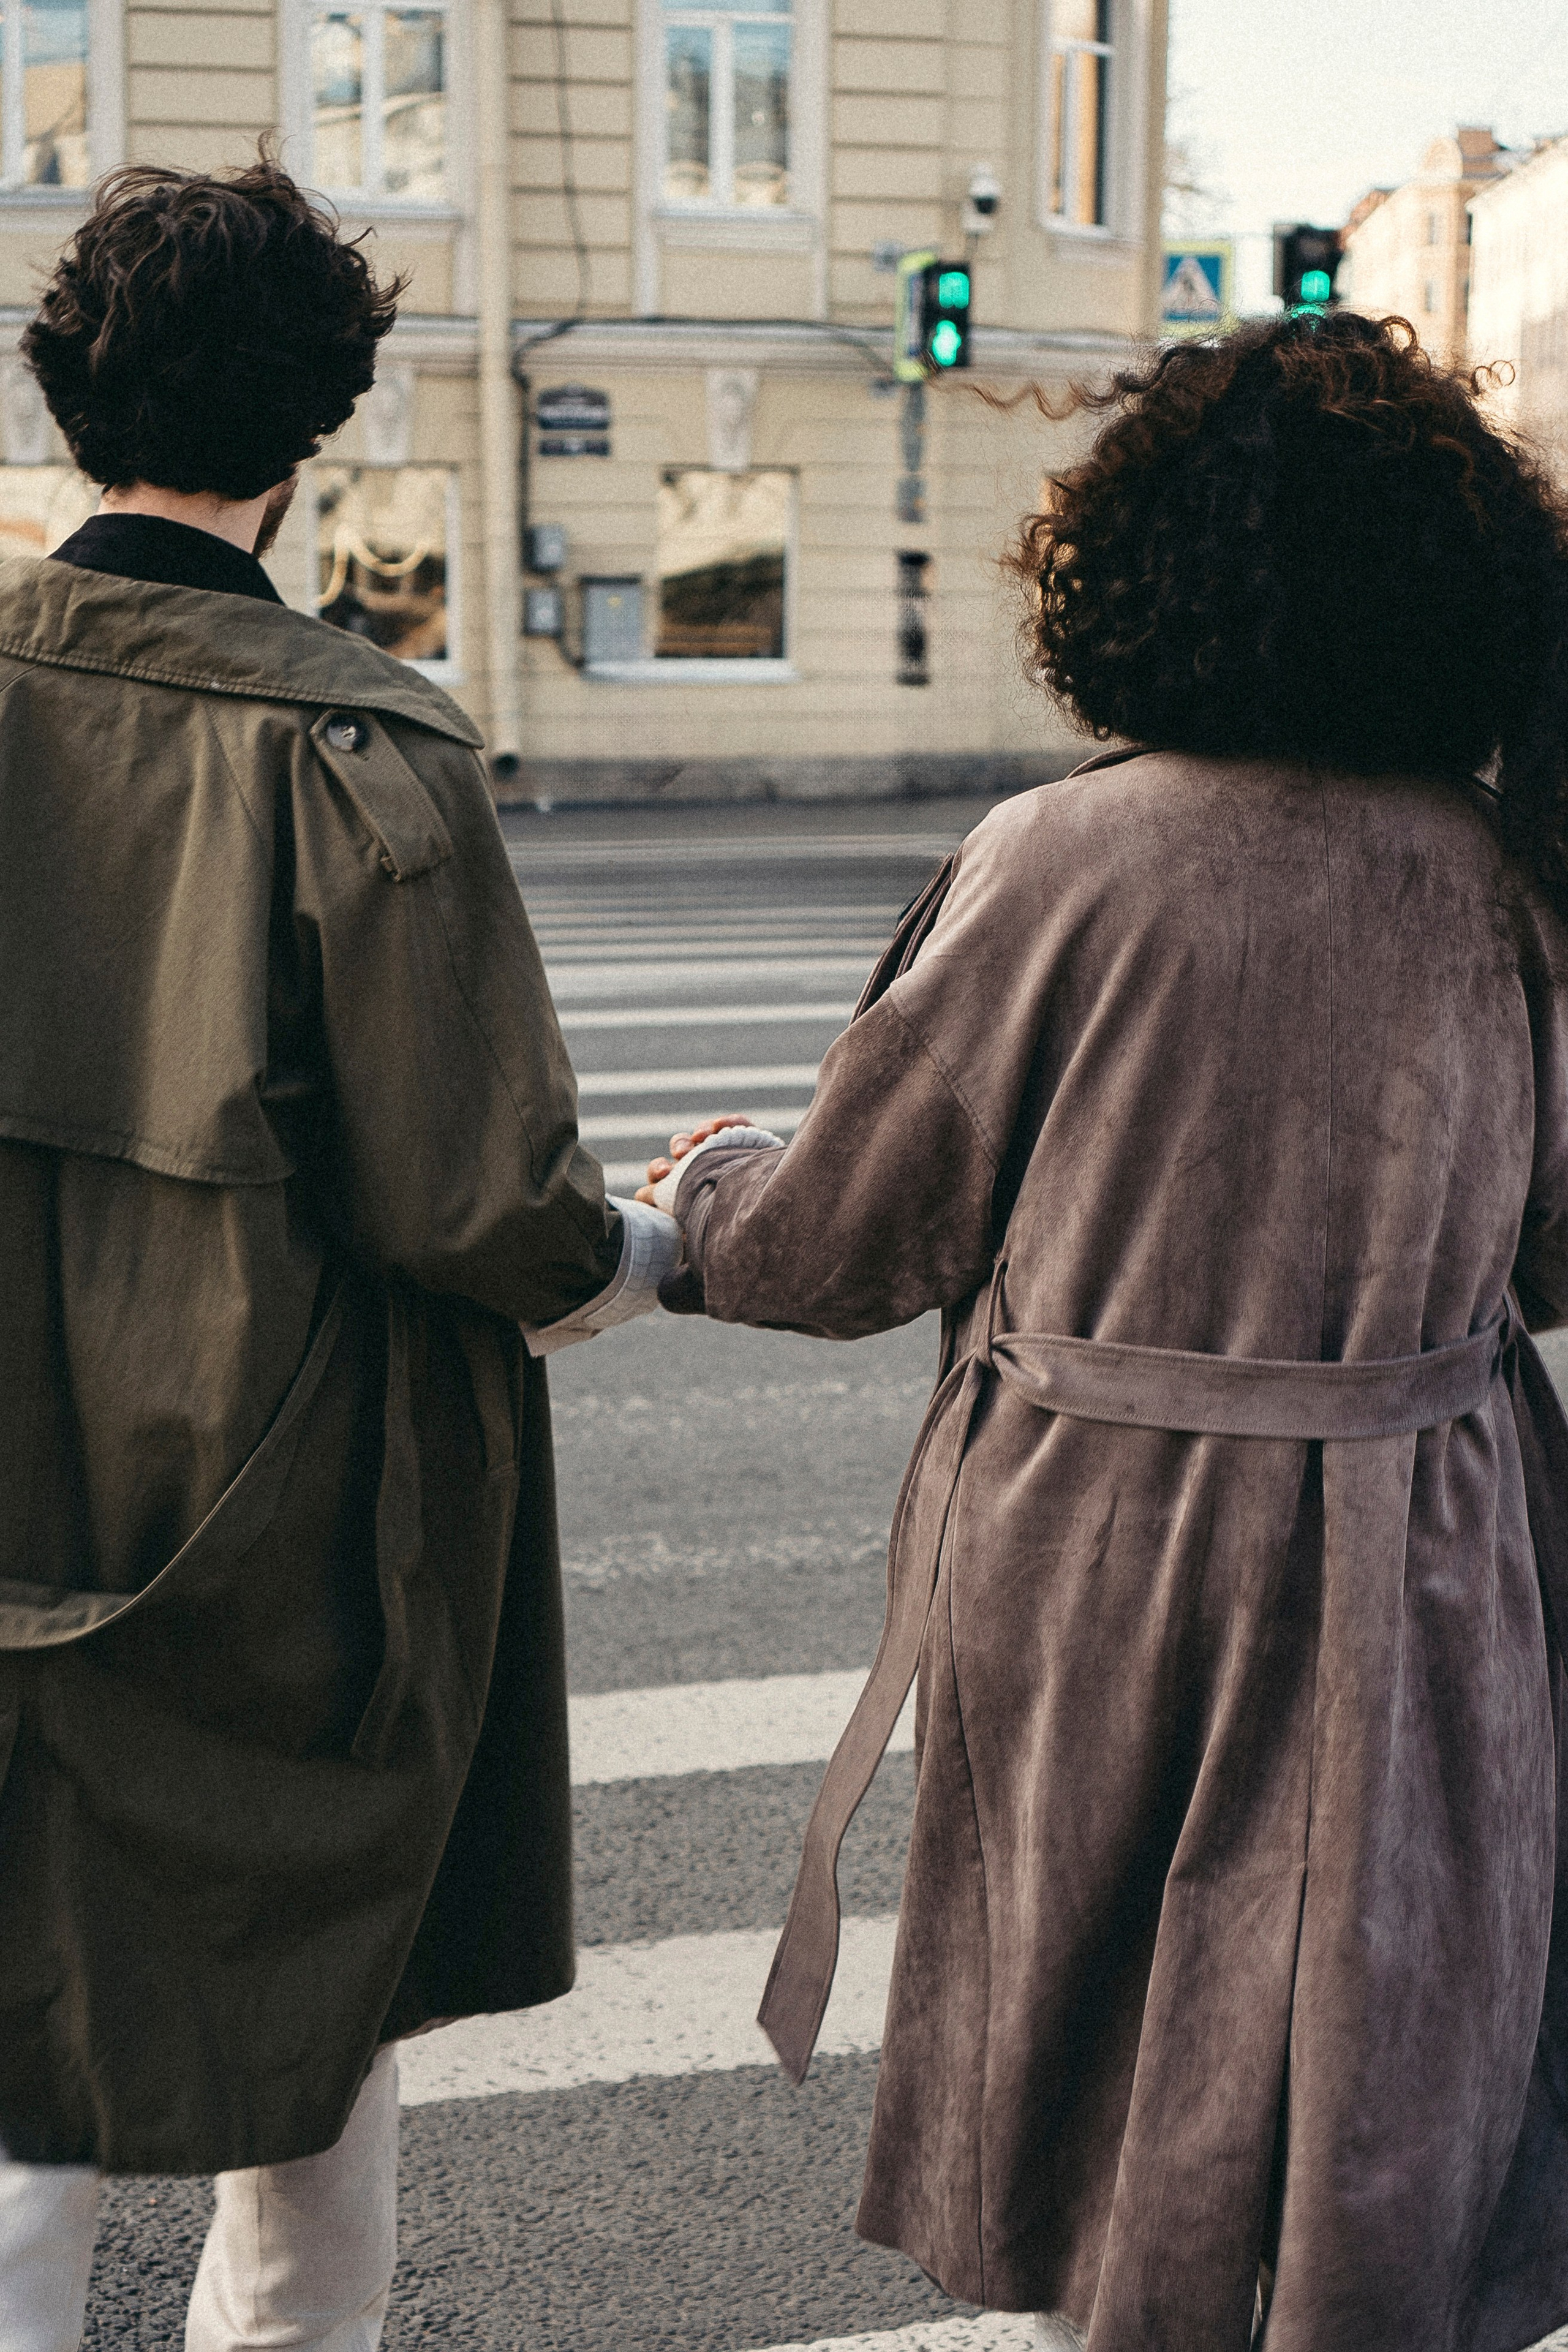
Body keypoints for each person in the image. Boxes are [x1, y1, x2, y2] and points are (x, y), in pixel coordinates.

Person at [640, 312, 1568, 2351]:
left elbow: (836, 1244)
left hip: (1104, 1552)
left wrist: (708, 1188)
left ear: (1138, 559)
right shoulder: (1497, 884)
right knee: (1385, 2032)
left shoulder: (1061, 856)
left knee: (1109, 2029)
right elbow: (1553, 1252)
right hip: (1428, 1542)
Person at [0, 156, 678, 2350]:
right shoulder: (357, 741)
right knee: (312, 2020)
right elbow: (489, 1207)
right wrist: (655, 1245)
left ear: (62, 390)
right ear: (314, 438)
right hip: (270, 1506)